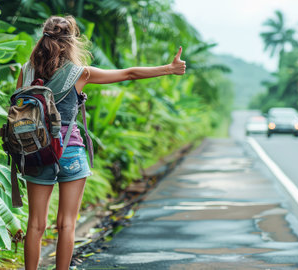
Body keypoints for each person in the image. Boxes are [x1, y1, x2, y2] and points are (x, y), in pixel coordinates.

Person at [15, 15, 186, 270]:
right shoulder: (80, 73)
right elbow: (129, 74)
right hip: (69, 151)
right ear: (71, 42)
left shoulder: (26, 72)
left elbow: (19, 111)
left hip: (37, 151)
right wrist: (168, 69)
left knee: (36, 224)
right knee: (67, 224)